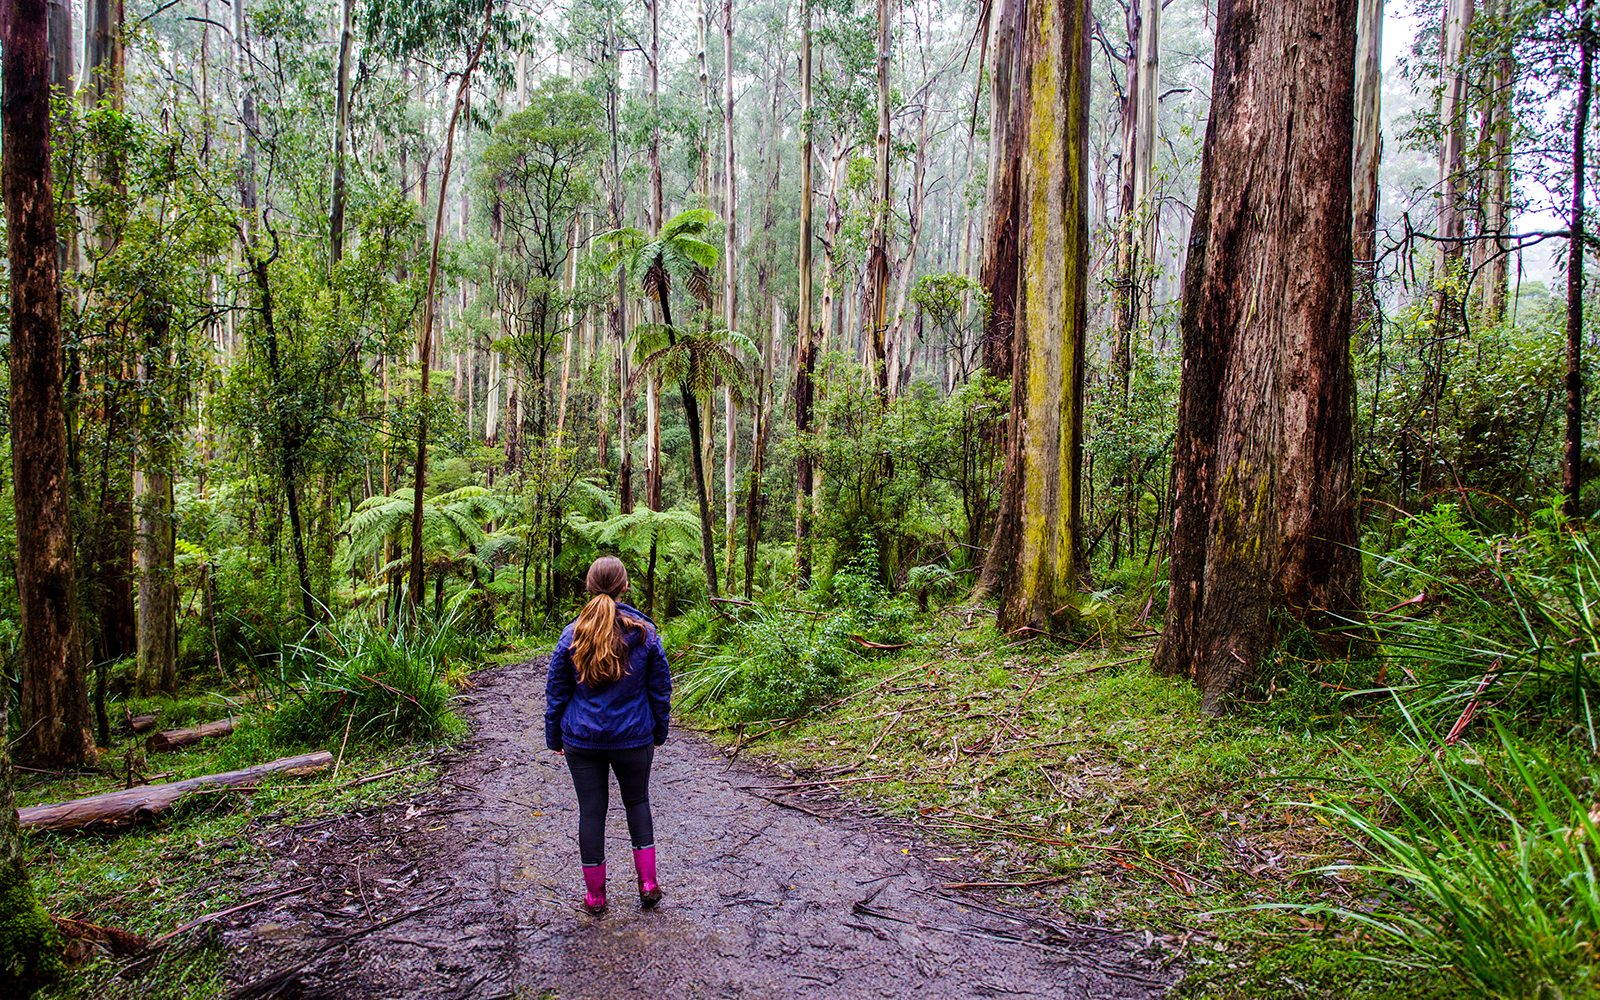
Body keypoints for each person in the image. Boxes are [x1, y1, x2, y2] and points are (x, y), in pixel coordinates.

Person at [545, 556, 672, 915]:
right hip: (634, 737)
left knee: (591, 811)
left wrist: (554, 737)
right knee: (638, 802)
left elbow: (557, 693)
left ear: (589, 586)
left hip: (582, 741)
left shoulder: (572, 634)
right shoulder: (644, 633)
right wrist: (658, 731)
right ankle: (648, 884)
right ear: (624, 586)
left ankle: (595, 897)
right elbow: (660, 690)